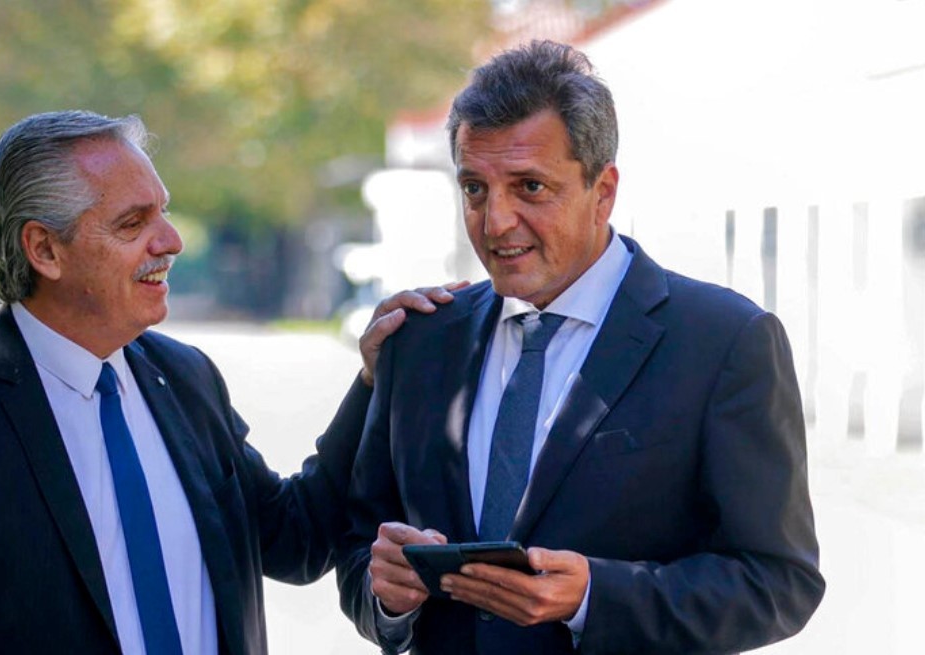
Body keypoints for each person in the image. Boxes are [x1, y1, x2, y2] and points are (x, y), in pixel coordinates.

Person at [0, 110, 455, 654]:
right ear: (44, 250)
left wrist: (373, 378)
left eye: (164, 211)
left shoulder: (184, 377)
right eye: (133, 223)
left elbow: (294, 539)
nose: (171, 241)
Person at [337, 41, 824, 654]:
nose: (495, 222)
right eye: (475, 189)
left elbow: (779, 583)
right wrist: (387, 597)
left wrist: (595, 596)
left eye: (530, 186)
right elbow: (358, 548)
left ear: (604, 190)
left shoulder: (725, 341)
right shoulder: (421, 340)